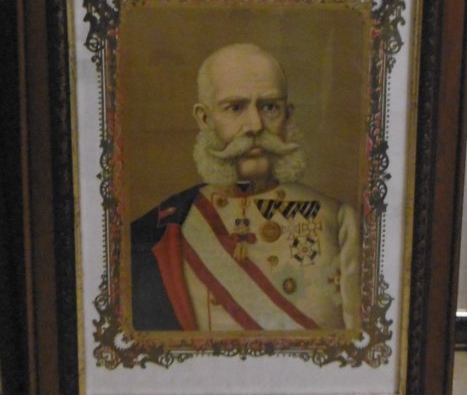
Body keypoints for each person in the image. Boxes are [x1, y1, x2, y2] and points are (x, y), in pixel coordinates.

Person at [131, 43, 361, 332]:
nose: (254, 125)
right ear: (204, 118)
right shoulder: (155, 232)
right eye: (235, 108)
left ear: (288, 115)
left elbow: (358, 348)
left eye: (270, 107)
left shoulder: (337, 222)